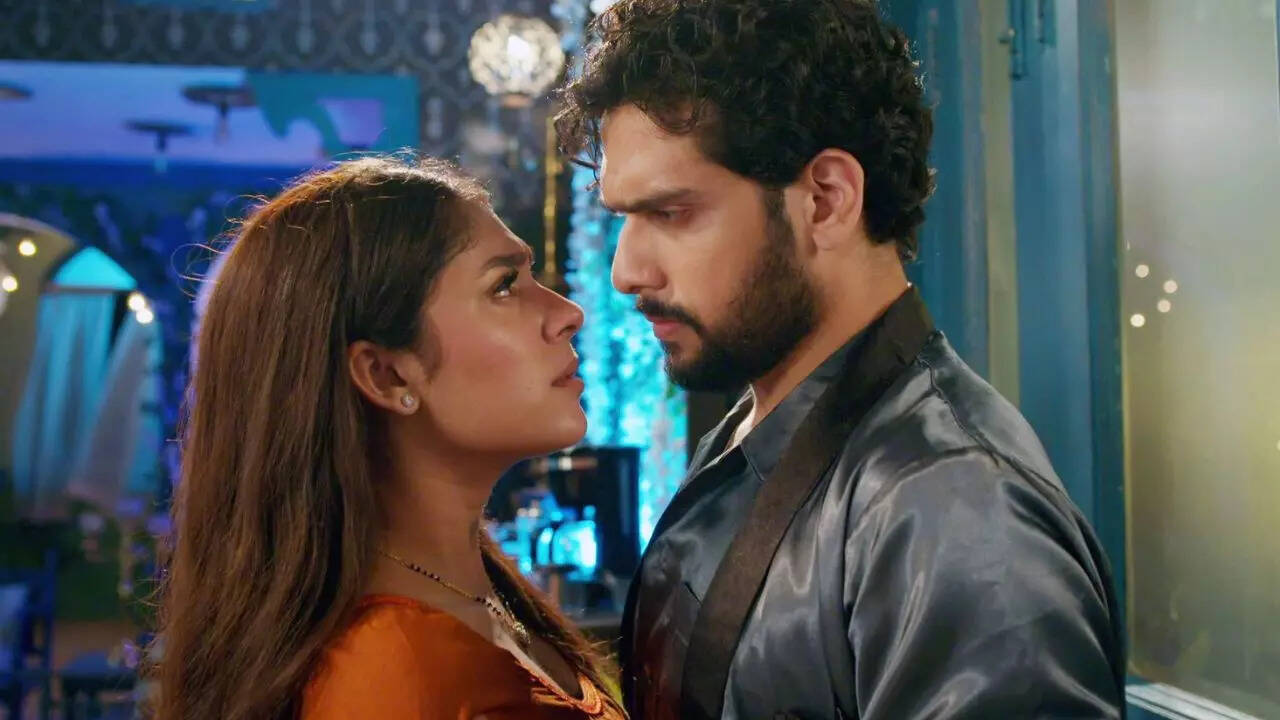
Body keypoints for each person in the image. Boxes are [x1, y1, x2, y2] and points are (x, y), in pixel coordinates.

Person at [556, 1, 1126, 718]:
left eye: (671, 213)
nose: (626, 271)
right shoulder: (759, 428)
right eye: (623, 218)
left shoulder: (951, 509)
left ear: (825, 200)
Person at [153, 157, 625, 720]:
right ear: (387, 375)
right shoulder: (399, 678)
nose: (567, 312)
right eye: (504, 285)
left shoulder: (472, 593)